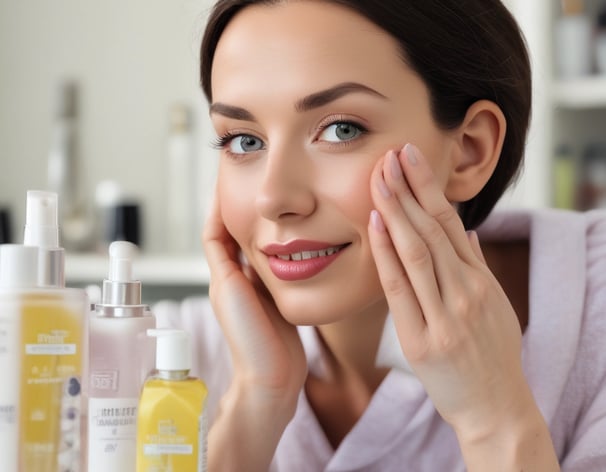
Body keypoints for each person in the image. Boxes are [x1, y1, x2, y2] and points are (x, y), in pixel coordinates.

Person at [154, 0, 606, 470]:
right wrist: (256, 403)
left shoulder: (594, 310)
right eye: (244, 141)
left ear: (470, 150)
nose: (273, 197)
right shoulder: (161, 359)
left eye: (341, 129)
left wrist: (495, 421)